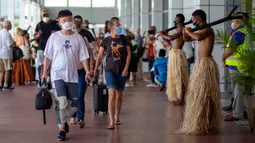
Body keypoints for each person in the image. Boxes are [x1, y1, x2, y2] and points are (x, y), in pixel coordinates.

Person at [41, 10, 91, 141]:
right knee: (62, 103)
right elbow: (48, 56)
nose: (67, 22)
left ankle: (62, 120)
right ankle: (62, 129)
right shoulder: (54, 37)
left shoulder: (78, 38)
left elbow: (84, 56)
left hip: (73, 76)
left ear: (72, 19)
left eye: (69, 19)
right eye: (63, 20)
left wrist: (87, 71)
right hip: (58, 74)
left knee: (74, 105)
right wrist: (44, 73)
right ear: (58, 21)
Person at [178, 9, 221, 135]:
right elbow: (188, 39)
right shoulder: (201, 29)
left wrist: (190, 31)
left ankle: (208, 123)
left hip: (206, 64)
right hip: (200, 64)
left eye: (193, 20)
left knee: (206, 95)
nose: (192, 22)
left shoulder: (207, 29)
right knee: (199, 94)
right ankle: (202, 123)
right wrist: (184, 33)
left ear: (198, 19)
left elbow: (198, 36)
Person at [93, 19, 131, 130]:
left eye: (119, 25)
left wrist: (126, 68)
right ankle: (111, 121)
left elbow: (128, 54)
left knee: (119, 95)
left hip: (122, 70)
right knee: (111, 94)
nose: (119, 27)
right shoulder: (106, 40)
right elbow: (100, 56)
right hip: (109, 69)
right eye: (117, 25)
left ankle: (117, 117)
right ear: (112, 28)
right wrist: (95, 69)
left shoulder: (124, 39)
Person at [68, 21, 95, 128]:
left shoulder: (83, 39)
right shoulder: (66, 39)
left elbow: (90, 53)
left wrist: (90, 68)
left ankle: (80, 118)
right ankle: (73, 115)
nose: (73, 30)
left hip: (81, 70)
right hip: (69, 71)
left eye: (74, 28)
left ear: (79, 29)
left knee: (79, 95)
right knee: (71, 96)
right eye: (72, 28)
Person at [222, 12, 247, 122]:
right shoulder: (246, 31)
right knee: (239, 90)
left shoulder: (238, 33)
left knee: (238, 91)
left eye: (232, 21)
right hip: (244, 66)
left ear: (237, 21)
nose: (232, 23)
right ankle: (238, 108)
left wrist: (223, 57)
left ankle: (237, 113)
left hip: (239, 67)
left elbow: (230, 50)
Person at [159, 13, 189, 105]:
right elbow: (171, 39)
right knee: (174, 77)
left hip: (177, 54)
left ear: (178, 20)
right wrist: (165, 34)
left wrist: (162, 34)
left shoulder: (181, 29)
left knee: (178, 76)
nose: (174, 20)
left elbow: (172, 37)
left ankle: (181, 97)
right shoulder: (178, 29)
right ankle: (177, 97)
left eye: (175, 19)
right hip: (174, 53)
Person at [34, 9, 60, 85]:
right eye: (44, 16)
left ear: (49, 15)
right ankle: (41, 80)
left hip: (52, 48)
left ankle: (50, 80)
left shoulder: (55, 23)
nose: (45, 17)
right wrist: (38, 35)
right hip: (41, 47)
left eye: (46, 15)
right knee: (42, 65)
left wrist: (56, 32)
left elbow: (61, 32)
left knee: (51, 65)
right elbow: (35, 36)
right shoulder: (39, 24)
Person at [0, 20, 14, 90]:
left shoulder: (0, 32)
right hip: (7, 54)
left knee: (2, 71)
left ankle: (0, 85)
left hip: (0, 54)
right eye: (10, 25)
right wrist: (13, 42)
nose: (11, 26)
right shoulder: (7, 34)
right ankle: (5, 85)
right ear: (7, 26)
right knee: (7, 70)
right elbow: (10, 44)